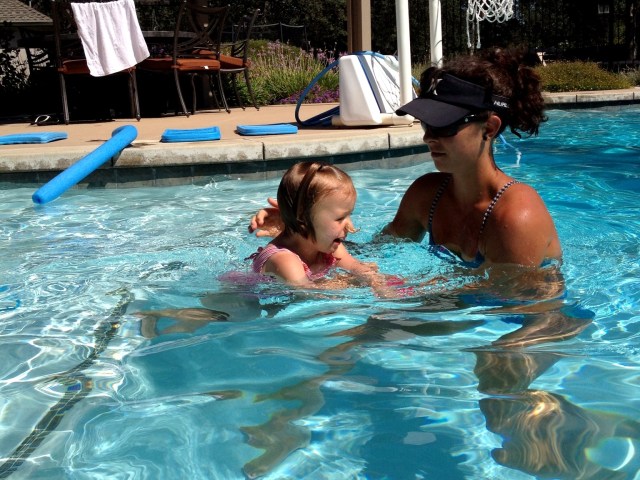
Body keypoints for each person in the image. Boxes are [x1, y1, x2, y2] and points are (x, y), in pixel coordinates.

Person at [249, 48, 561, 268]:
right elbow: (373, 253)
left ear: (489, 128)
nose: (429, 137)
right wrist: (301, 229)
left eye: (444, 126)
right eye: (426, 124)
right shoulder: (427, 195)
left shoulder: (516, 216)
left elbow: (507, 303)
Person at [249, 160, 390, 290]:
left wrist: (374, 280)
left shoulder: (327, 245)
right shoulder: (284, 260)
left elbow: (353, 265)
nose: (350, 226)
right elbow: (311, 294)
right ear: (303, 218)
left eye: (349, 215)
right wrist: (352, 281)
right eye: (340, 218)